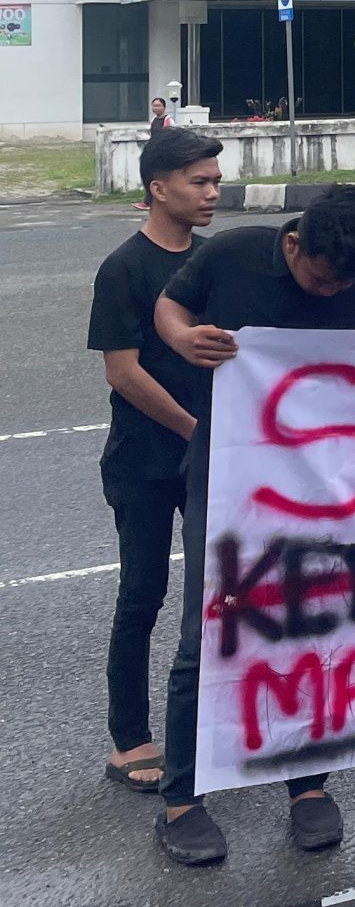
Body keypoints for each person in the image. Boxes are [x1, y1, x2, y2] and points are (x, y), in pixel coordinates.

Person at [151, 186, 355, 867]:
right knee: (209, 630)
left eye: (345, 280)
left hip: (319, 484)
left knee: (310, 627)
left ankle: (307, 785)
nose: (331, 290)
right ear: (294, 242)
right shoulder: (235, 254)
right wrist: (184, 337)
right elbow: (169, 306)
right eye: (319, 276)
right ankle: (183, 798)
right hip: (229, 472)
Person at [87, 125, 225, 795]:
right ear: (158, 187)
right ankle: (130, 739)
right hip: (143, 460)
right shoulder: (123, 268)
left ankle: (207, 727)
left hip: (210, 454)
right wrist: (195, 428)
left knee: (215, 597)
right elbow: (123, 372)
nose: (212, 192)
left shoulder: (212, 261)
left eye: (216, 181)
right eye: (199, 182)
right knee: (142, 594)